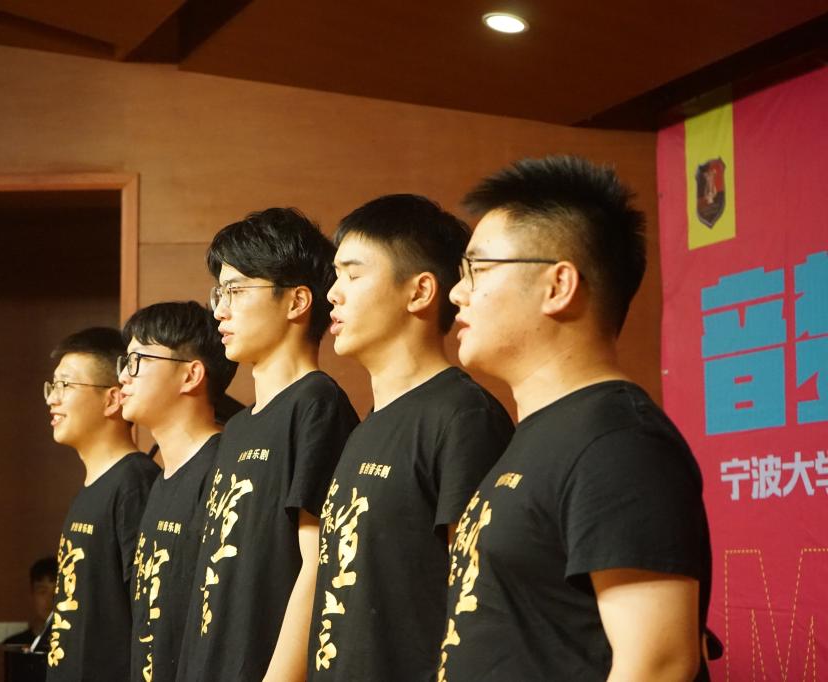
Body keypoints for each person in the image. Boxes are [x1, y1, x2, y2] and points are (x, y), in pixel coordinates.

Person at [439, 156, 712, 681]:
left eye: (479, 269)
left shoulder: (619, 443)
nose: (458, 292)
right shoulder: (543, 436)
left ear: (558, 285)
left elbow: (658, 665)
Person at [307, 194, 514, 681]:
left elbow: (478, 604)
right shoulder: (369, 424)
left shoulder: (463, 417)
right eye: (335, 276)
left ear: (420, 291)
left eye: (352, 275)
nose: (333, 293)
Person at [177, 208, 359, 682]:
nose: (220, 310)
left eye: (236, 291)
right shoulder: (237, 427)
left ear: (297, 300)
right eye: (219, 294)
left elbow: (318, 564)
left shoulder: (316, 404)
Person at [118, 302, 238, 682]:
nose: (123, 376)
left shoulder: (223, 469)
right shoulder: (161, 479)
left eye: (137, 361)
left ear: (191, 375)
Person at [44, 327, 161, 682]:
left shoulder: (135, 483)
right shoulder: (93, 487)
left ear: (113, 399)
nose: (52, 399)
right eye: (52, 386)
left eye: (66, 385)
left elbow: (148, 615)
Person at [3, 556, 59, 651]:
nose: (50, 599)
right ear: (32, 596)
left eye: (57, 591)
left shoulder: (79, 645)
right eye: (42, 592)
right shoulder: (14, 646)